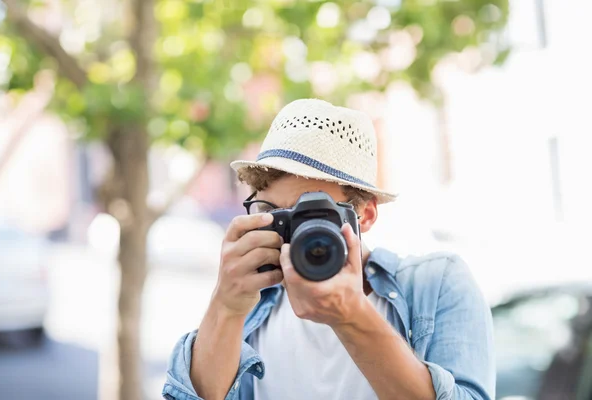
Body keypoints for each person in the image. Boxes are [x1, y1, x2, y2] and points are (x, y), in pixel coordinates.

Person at [162, 99, 494, 400]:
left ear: (365, 215)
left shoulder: (436, 285)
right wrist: (226, 306)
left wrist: (353, 316)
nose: (297, 232)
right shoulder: (250, 299)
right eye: (278, 214)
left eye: (313, 213)